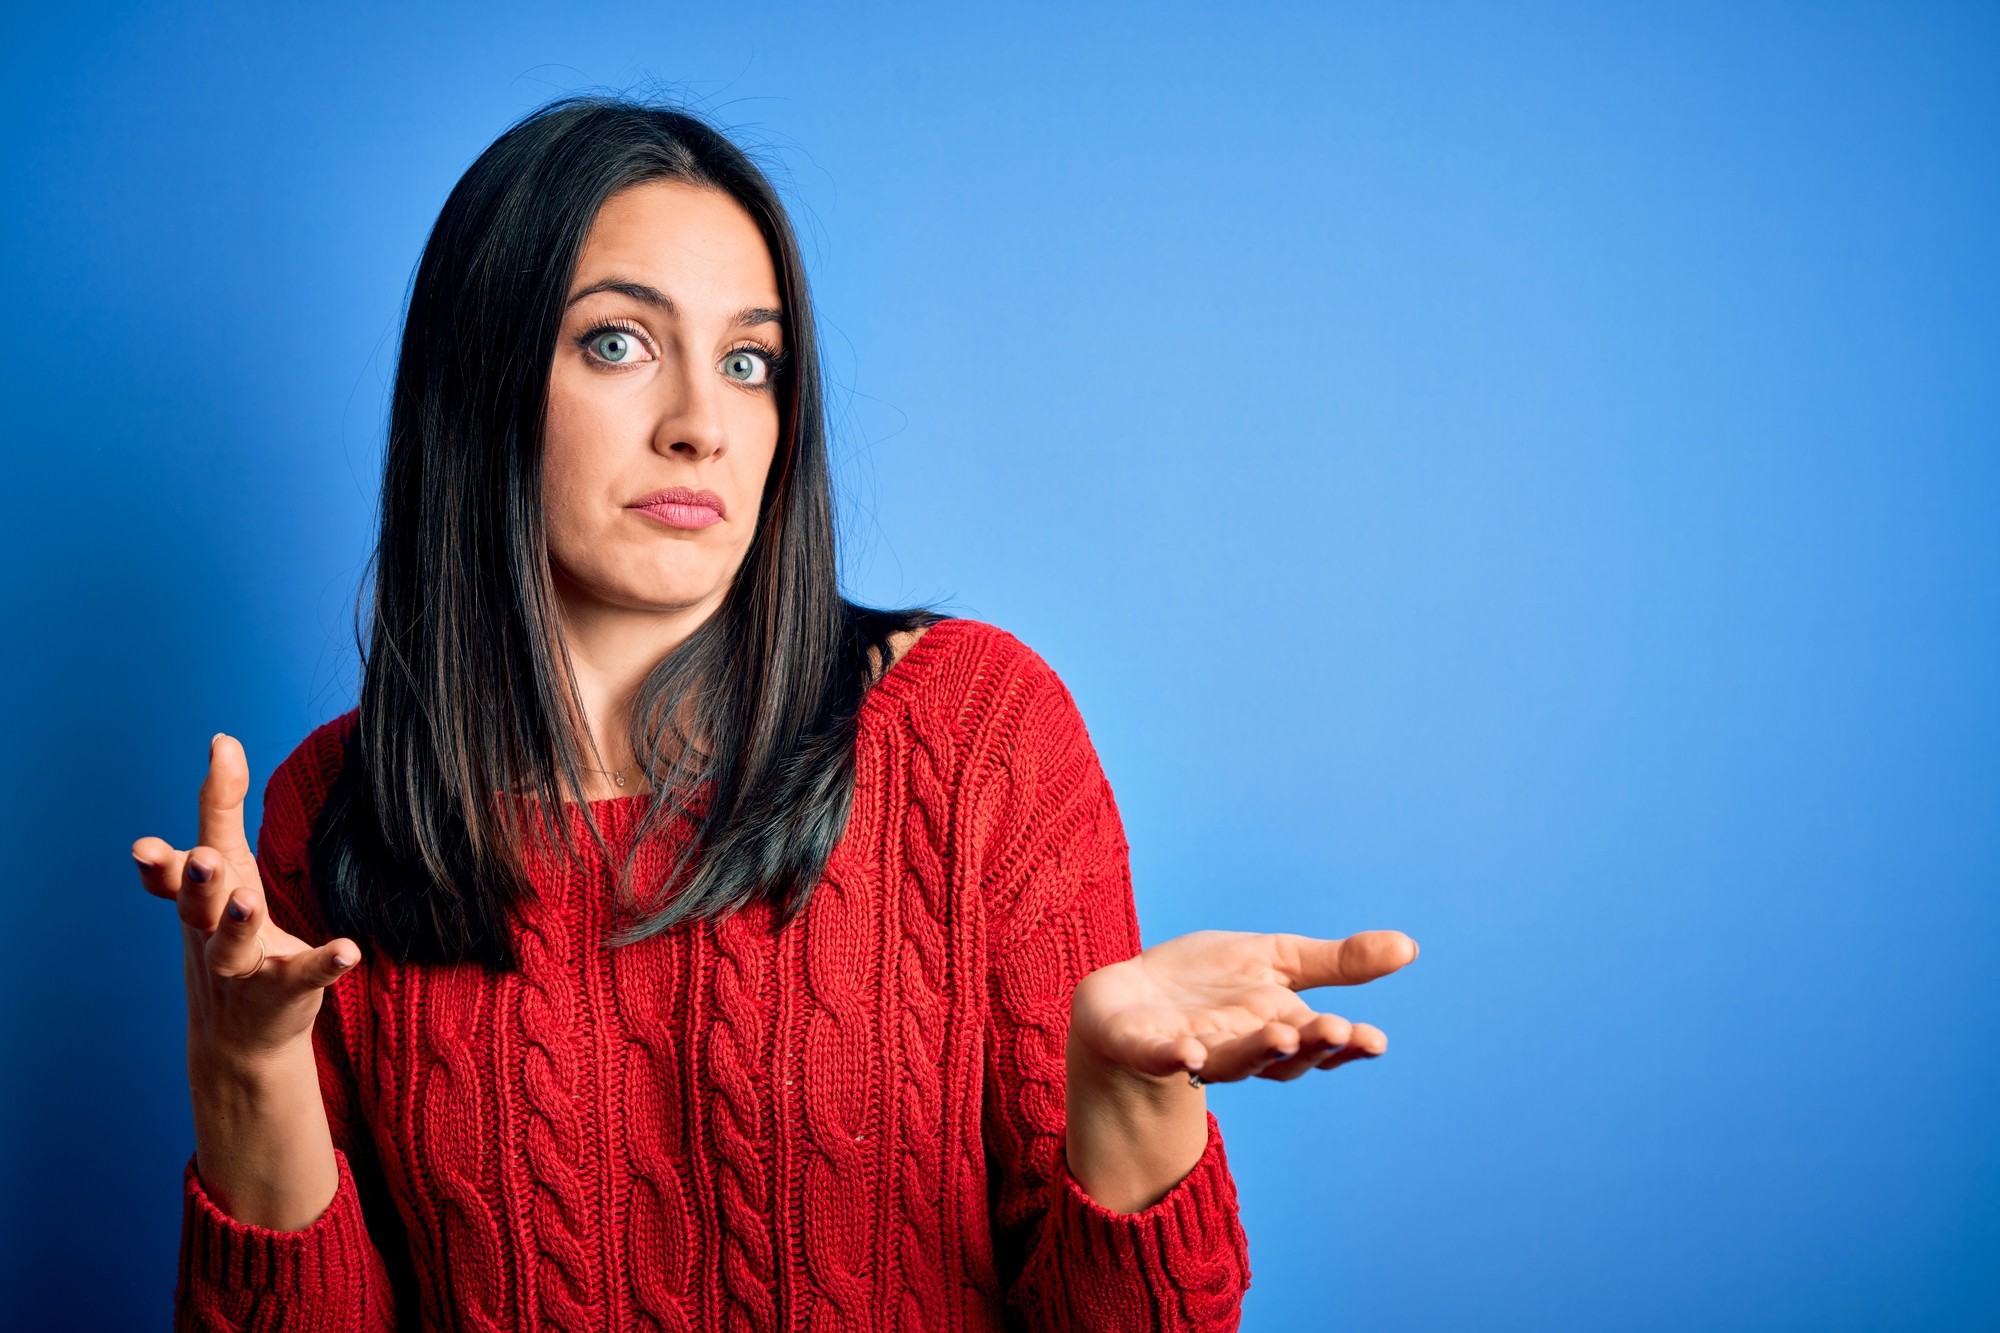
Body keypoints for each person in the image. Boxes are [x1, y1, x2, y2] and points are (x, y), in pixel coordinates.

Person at [131, 98, 1417, 1333]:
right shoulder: (315, 830)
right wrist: (246, 1070)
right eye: (619, 343)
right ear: (480, 380)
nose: (703, 425)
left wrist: (1125, 1099)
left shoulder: (971, 738)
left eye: (749, 363)